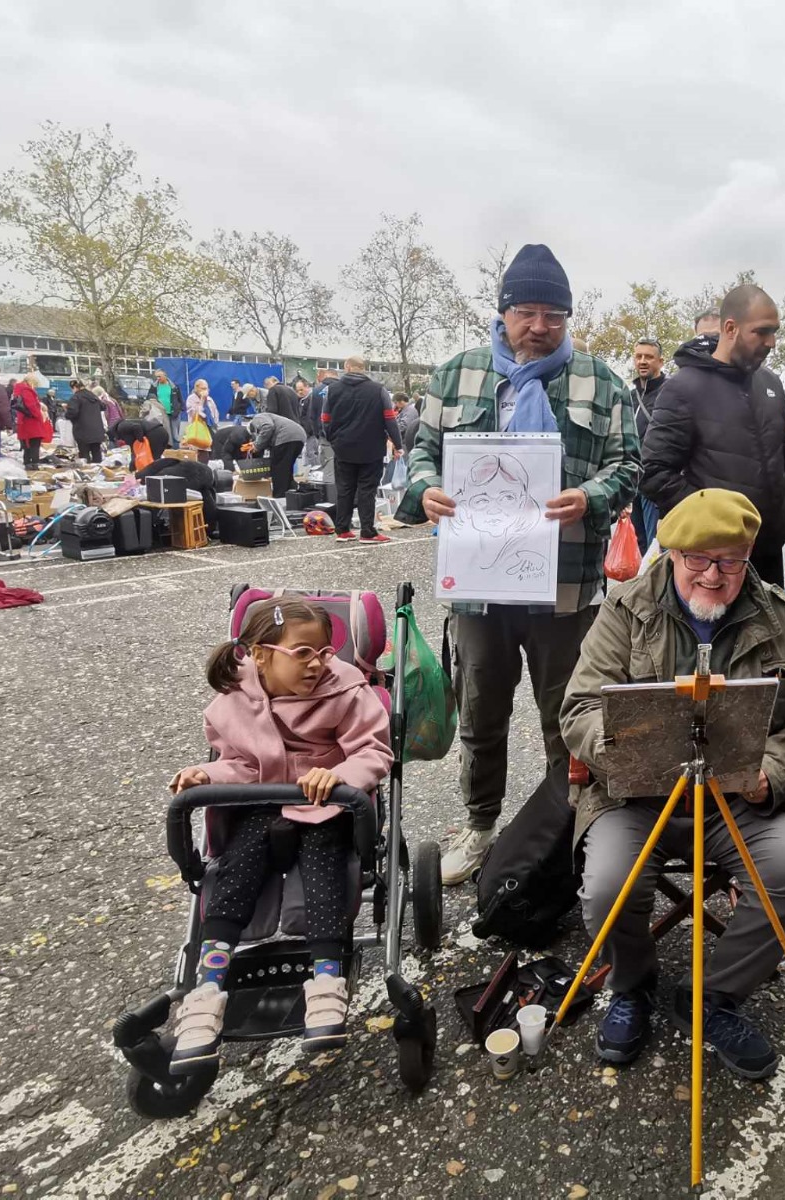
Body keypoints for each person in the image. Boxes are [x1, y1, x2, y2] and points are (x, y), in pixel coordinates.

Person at [562, 488, 785, 1077]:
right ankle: (632, 986)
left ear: (749, 555)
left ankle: (713, 997)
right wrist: (625, 759)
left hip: (739, 797)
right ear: (673, 553)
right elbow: (578, 708)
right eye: (698, 560)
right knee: (608, 888)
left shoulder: (779, 618)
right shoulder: (627, 608)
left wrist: (774, 771)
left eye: (730, 561)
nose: (713, 575)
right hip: (636, 796)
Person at [396, 243, 640, 886]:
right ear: (502, 311)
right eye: (527, 312)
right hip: (479, 587)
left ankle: (570, 833)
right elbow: (422, 451)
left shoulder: (602, 381)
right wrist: (425, 488)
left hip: (566, 587)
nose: (540, 326)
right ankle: (480, 828)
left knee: (572, 717)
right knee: (482, 714)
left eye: (554, 314)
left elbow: (630, 465)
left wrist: (593, 496)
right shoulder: (456, 375)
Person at [165, 597, 394, 1072]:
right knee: (236, 867)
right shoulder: (234, 698)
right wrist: (207, 776)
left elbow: (373, 750)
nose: (318, 664)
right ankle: (207, 989)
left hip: (325, 803)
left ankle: (327, 980)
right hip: (262, 801)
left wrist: (342, 774)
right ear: (260, 654)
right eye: (303, 653)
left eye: (325, 652)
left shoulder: (346, 691)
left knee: (324, 865)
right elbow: (239, 762)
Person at [640, 284, 785, 584]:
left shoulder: (770, 383)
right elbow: (654, 473)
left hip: (766, 552)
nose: (772, 342)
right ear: (730, 328)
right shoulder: (684, 387)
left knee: (767, 631)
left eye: (775, 332)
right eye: (762, 332)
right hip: (712, 559)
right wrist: (714, 519)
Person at [323, 356, 400, 543]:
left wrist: (333, 439)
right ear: (363, 369)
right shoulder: (378, 390)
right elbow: (390, 418)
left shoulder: (332, 390)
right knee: (367, 490)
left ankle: (342, 529)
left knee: (344, 489)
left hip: (342, 447)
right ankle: (367, 531)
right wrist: (398, 444)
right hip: (371, 447)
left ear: (346, 367)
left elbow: (325, 419)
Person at [629, 338, 667, 548]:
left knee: (657, 546)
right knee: (638, 545)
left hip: (656, 482)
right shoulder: (630, 395)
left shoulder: (670, 392)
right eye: (639, 356)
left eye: (649, 357)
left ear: (660, 361)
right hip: (633, 482)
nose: (643, 361)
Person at [246, 410, 308, 498]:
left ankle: (279, 496)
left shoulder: (257, 418)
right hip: (299, 437)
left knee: (278, 470)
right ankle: (291, 495)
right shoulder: (273, 419)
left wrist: (257, 445)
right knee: (287, 469)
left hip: (286, 436)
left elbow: (268, 427)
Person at [12, 373, 53, 469]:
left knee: (27, 445)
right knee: (35, 444)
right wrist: (39, 415)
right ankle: (34, 464)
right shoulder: (27, 390)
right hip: (32, 422)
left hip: (24, 422)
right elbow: (31, 406)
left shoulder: (19, 390)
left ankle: (28, 463)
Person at [66, 381, 108, 463]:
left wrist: (67, 411)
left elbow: (72, 412)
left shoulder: (76, 397)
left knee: (84, 453)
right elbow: (103, 406)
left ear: (75, 387)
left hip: (82, 431)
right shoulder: (93, 396)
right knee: (96, 452)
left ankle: (87, 470)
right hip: (97, 431)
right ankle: (97, 469)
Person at [151, 369, 184, 439]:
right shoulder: (154, 387)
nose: (158, 378)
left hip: (173, 414)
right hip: (160, 415)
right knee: (163, 436)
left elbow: (180, 398)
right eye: (156, 377)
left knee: (175, 436)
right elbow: (149, 399)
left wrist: (180, 409)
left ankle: (175, 449)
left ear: (165, 376)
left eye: (159, 376)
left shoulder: (174, 386)